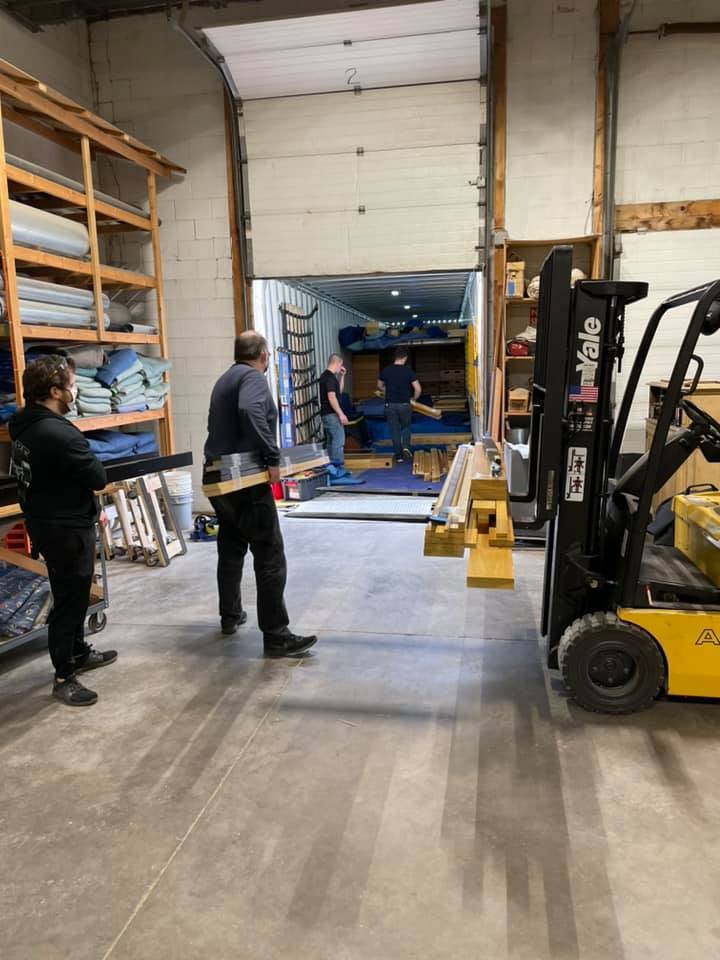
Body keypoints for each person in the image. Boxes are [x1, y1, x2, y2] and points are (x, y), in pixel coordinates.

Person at [9, 356, 116, 707]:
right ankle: (63, 675)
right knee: (69, 601)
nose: (75, 390)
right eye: (71, 384)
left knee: (73, 592)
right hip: (66, 529)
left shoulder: (22, 424)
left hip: (45, 520)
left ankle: (78, 651)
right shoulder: (60, 434)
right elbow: (98, 478)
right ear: (55, 392)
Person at [204, 331, 318, 658]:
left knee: (231, 545)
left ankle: (230, 614)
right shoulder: (253, 379)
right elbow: (251, 411)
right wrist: (272, 458)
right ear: (264, 355)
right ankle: (276, 635)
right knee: (269, 553)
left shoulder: (226, 378)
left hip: (218, 478)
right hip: (244, 480)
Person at [378, 346, 422, 463]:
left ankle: (398, 456)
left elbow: (379, 385)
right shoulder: (408, 371)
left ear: (395, 357)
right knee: (406, 426)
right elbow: (418, 388)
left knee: (394, 430)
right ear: (405, 358)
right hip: (404, 404)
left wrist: (386, 390)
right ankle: (406, 446)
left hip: (390, 405)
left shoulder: (386, 370)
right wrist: (414, 398)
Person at [318, 353, 348, 467]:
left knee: (331, 442)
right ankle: (338, 469)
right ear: (337, 363)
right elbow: (332, 396)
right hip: (331, 414)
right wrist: (341, 414)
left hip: (326, 414)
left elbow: (338, 392)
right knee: (339, 441)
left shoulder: (326, 376)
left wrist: (342, 376)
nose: (341, 367)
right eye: (341, 365)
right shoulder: (329, 377)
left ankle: (331, 469)